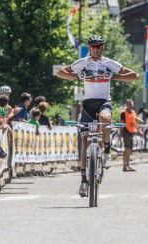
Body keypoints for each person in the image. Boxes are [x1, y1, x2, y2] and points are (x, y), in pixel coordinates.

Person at [57, 35, 139, 197]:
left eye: (98, 46)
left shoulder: (109, 63)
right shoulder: (83, 62)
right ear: (89, 48)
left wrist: (113, 76)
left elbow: (134, 76)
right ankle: (83, 180)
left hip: (103, 102)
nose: (95, 49)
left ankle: (107, 152)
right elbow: (61, 73)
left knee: (106, 118)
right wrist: (79, 76)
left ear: (103, 48)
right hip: (88, 104)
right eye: (93, 46)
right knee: (85, 140)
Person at [120, 100, 143, 172]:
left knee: (129, 150)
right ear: (126, 105)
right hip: (126, 132)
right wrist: (120, 134)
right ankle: (124, 166)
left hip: (132, 132)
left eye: (131, 104)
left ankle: (128, 165)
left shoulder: (133, 112)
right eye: (129, 104)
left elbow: (134, 122)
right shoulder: (123, 113)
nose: (130, 105)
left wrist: (139, 130)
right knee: (126, 149)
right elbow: (121, 123)